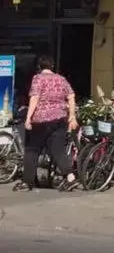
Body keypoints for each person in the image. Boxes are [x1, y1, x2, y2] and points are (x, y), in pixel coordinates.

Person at [15, 55, 78, 192]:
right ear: (52, 66)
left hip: (41, 120)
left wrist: (28, 118)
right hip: (60, 119)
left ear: (39, 67)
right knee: (58, 150)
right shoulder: (61, 79)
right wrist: (72, 116)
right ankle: (71, 177)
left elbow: (35, 98)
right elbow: (71, 96)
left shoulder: (38, 78)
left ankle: (27, 182)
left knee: (32, 150)